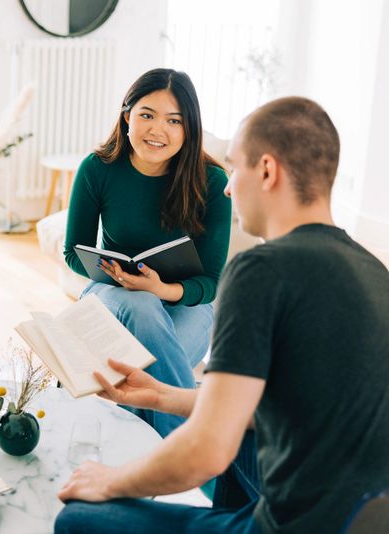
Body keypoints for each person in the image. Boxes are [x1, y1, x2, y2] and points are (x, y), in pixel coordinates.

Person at [55, 96, 389, 533]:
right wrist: (160, 397)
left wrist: (111, 481)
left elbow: (207, 452)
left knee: (78, 518)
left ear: (266, 171)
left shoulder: (261, 270)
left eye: (235, 168)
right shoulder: (374, 270)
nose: (228, 187)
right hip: (362, 517)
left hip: (291, 524)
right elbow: (263, 407)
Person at [63, 68, 231, 437]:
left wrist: (161, 290)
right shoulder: (98, 169)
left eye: (174, 120)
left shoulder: (213, 182)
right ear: (127, 117)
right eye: (147, 115)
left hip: (183, 304)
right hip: (111, 294)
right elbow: (73, 253)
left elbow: (210, 283)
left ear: (189, 129)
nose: (158, 130)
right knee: (142, 310)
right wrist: (124, 279)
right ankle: (188, 446)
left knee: (139, 359)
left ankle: (134, 445)